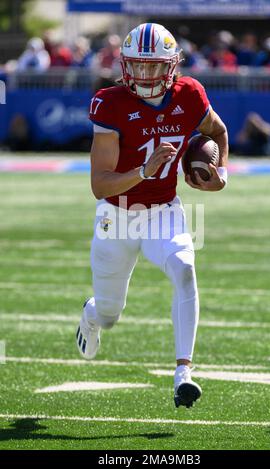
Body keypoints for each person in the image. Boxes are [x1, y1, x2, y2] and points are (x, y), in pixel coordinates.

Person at [76, 23, 228, 408]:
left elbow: (219, 132)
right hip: (117, 217)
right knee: (110, 314)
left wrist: (219, 176)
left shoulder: (190, 94)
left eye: (153, 67)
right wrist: (143, 170)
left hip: (164, 210)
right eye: (137, 66)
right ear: (125, 66)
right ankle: (91, 314)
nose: (144, 76)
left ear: (172, 66)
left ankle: (183, 373)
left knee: (184, 268)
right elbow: (100, 185)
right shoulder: (110, 103)